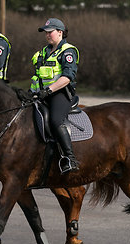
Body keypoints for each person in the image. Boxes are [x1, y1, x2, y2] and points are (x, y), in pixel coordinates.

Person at [30, 18, 80, 174]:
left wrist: (49, 90)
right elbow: (38, 76)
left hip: (61, 94)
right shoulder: (43, 52)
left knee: (55, 119)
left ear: (60, 32)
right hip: (42, 94)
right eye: (46, 32)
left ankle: (70, 159)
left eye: (50, 32)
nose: (47, 35)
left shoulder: (68, 51)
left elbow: (67, 77)